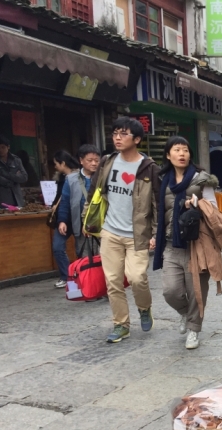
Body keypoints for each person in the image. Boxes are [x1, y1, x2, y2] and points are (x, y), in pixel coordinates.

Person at [94, 117, 160, 343]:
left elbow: (157, 204)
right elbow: (96, 193)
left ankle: (144, 308)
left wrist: (155, 233)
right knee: (112, 280)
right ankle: (121, 324)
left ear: (137, 139)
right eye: (114, 133)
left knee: (137, 277)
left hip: (137, 234)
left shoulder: (149, 168)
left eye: (123, 134)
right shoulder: (108, 162)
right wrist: (89, 219)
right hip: (110, 231)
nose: (117, 138)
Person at [153, 136, 222, 350]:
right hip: (172, 244)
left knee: (196, 291)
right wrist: (154, 234)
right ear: (168, 155)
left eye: (185, 150)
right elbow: (159, 211)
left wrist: (197, 205)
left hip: (197, 244)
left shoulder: (202, 180)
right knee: (170, 291)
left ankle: (194, 329)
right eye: (177, 150)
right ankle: (185, 313)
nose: (182, 154)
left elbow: (214, 210)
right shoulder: (162, 180)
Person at [55, 145, 101, 286]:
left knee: (102, 256)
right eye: (90, 160)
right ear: (81, 161)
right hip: (79, 225)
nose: (94, 163)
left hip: (101, 226)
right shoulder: (71, 179)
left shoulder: (103, 177)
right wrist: (62, 221)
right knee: (85, 256)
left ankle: (104, 286)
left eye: (96, 160)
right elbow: (65, 202)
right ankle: (90, 286)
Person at [50, 150, 81, 288]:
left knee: (81, 249)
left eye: (56, 163)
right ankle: (67, 275)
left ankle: (83, 276)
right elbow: (61, 199)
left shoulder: (80, 177)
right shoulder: (61, 178)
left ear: (63, 163)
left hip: (79, 217)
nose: (55, 166)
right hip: (64, 218)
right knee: (57, 247)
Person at [0, 134, 27, 208]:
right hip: (1, 200)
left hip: (17, 199)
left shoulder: (16, 160)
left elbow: (24, 177)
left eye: (3, 147)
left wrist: (6, 174)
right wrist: (14, 178)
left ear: (8, 147)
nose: (0, 150)